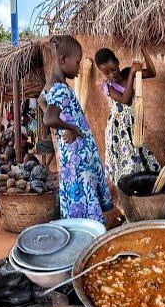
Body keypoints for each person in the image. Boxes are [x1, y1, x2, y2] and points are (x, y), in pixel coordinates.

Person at [42, 35, 113, 225]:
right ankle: (90, 234)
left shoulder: (51, 86)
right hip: (78, 159)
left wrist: (63, 125)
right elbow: (49, 118)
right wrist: (71, 127)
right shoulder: (61, 89)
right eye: (78, 62)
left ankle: (83, 230)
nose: (80, 67)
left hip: (73, 156)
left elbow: (43, 101)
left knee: (79, 196)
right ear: (63, 59)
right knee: (84, 194)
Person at [94, 47, 161, 184]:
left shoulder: (125, 73)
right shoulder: (107, 86)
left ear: (118, 63)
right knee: (126, 163)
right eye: (106, 73)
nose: (111, 75)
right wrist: (131, 74)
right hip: (119, 132)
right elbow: (126, 99)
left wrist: (143, 50)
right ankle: (125, 194)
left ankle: (140, 189)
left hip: (133, 127)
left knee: (139, 157)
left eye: (113, 69)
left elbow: (152, 72)